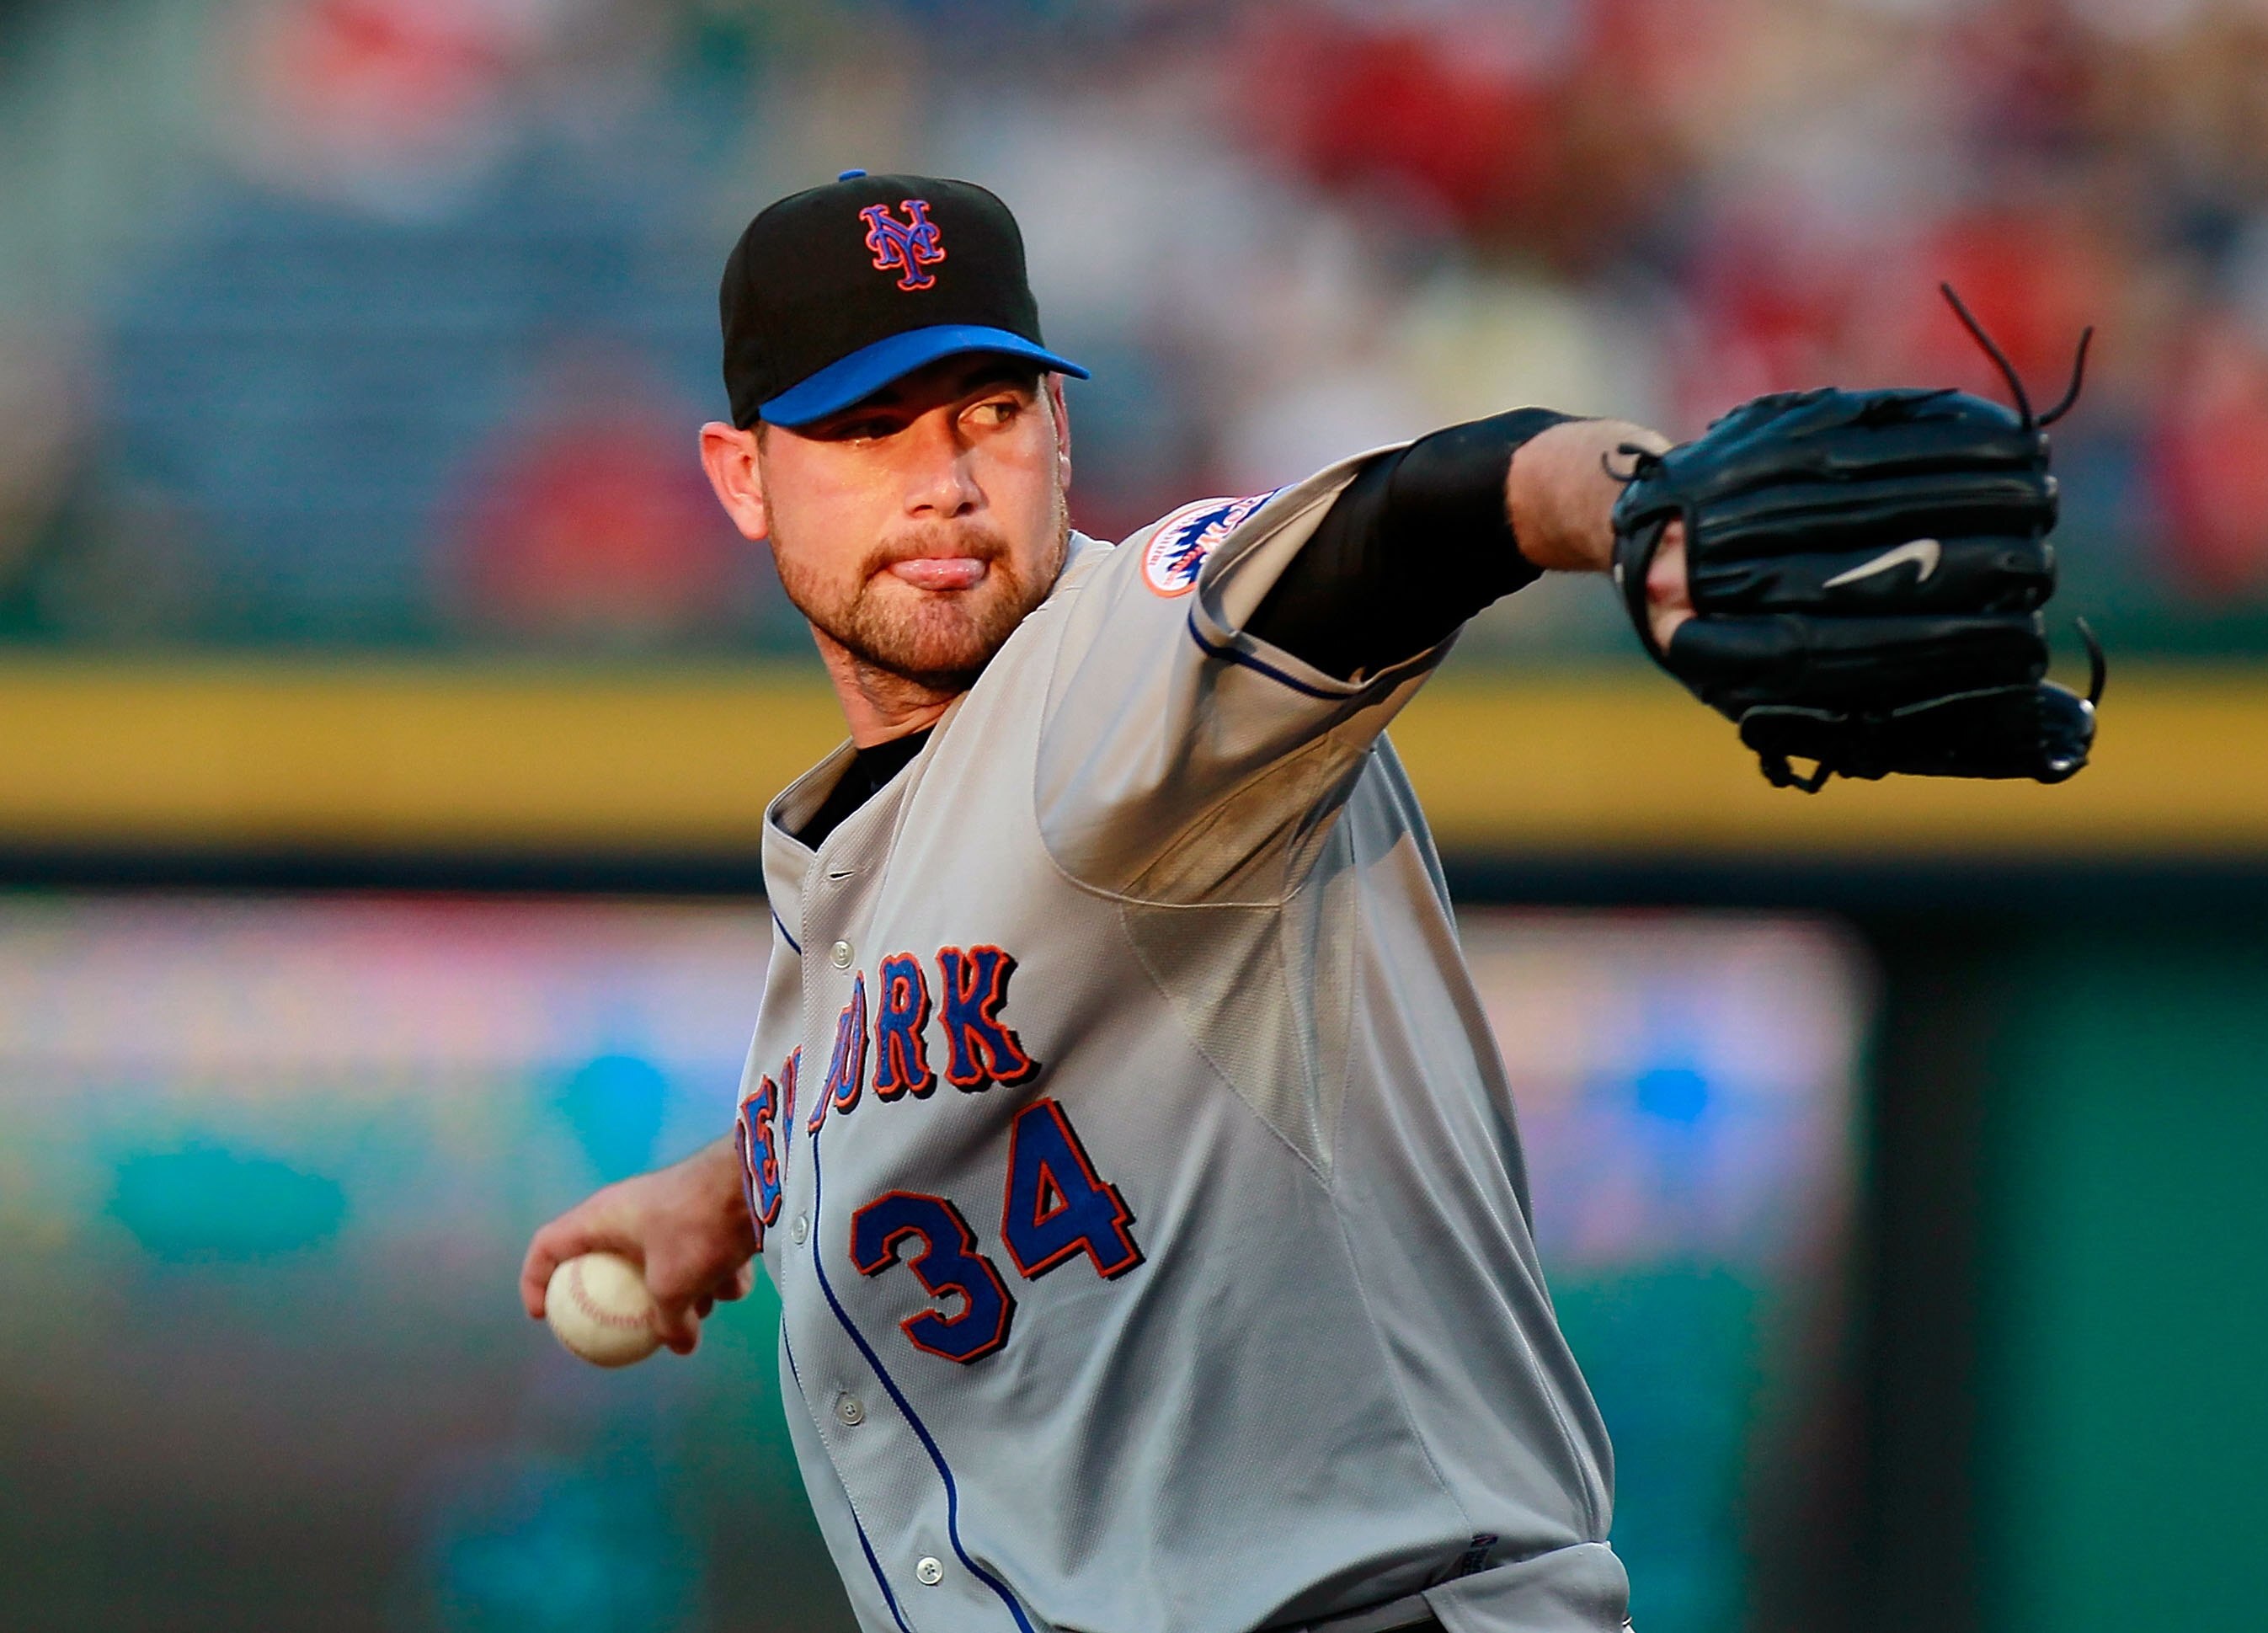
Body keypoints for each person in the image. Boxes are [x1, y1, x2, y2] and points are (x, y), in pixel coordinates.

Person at [514, 170, 1709, 1633]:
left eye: (989, 415)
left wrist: (1639, 504)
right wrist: (738, 1186)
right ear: (742, 476)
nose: (943, 480)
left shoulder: (1126, 654)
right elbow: (1002, 1011)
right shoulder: (872, 846)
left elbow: (1402, 528)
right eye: (865, 429)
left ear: (1058, 433)